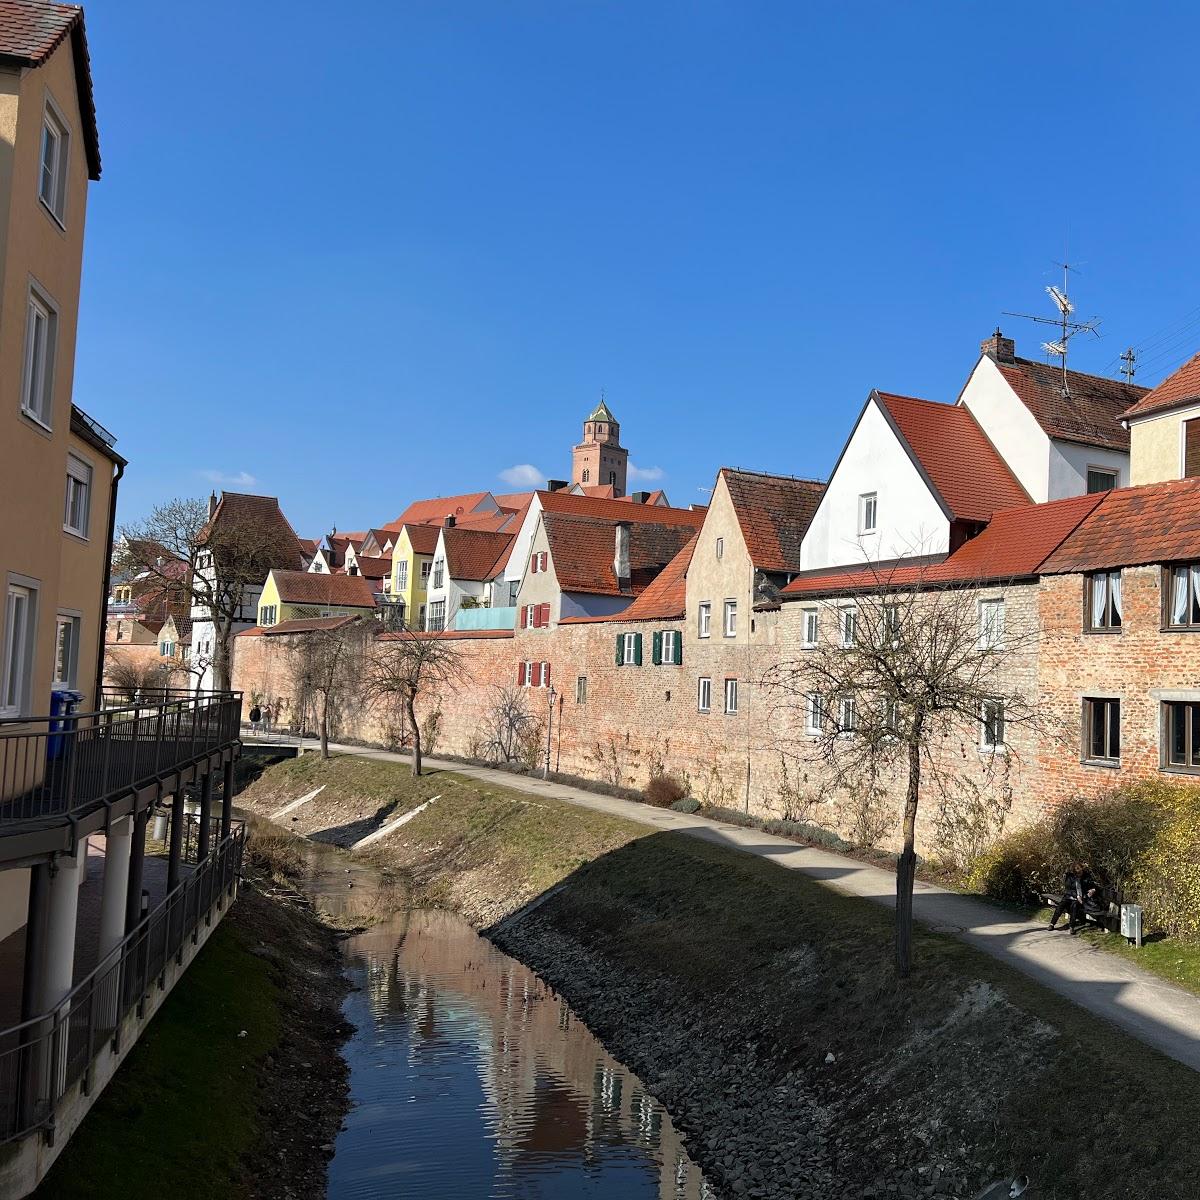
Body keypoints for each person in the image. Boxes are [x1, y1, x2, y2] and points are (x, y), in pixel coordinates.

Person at [1048, 862, 1099, 933]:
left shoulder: (1087, 876)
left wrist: (1093, 889)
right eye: (1077, 873)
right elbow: (1068, 890)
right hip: (1069, 896)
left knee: (1074, 906)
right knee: (1061, 905)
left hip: (1081, 899)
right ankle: (1052, 924)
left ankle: (1071, 926)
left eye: (1080, 872)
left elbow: (1092, 885)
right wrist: (1077, 896)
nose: (1079, 874)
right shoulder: (1070, 877)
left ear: (1082, 870)